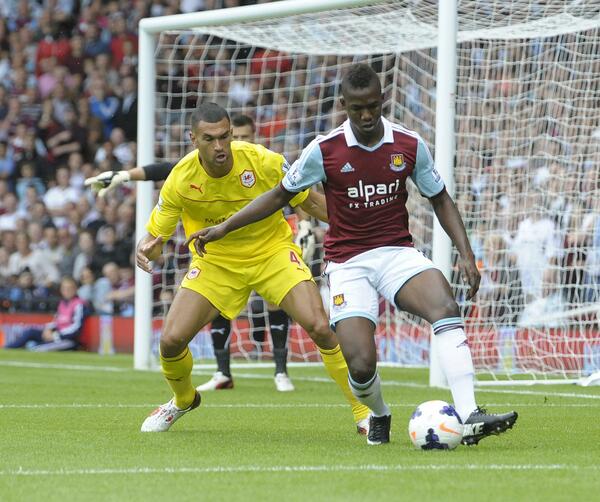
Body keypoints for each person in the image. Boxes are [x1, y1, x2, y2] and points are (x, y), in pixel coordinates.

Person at [188, 64, 518, 446]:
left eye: (373, 107)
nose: (366, 116)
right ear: (344, 104)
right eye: (357, 107)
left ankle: (470, 412)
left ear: (383, 101)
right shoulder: (324, 149)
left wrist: (466, 252)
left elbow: (440, 197)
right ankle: (378, 413)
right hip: (348, 263)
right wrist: (225, 227)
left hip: (398, 253)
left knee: (444, 305)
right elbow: (278, 196)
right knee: (360, 364)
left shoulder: (408, 144)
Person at [132, 102, 370, 433]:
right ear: (193, 138)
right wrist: (146, 248)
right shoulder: (180, 179)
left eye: (225, 136)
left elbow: (311, 201)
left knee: (318, 324)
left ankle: (363, 412)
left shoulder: (263, 161)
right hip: (216, 263)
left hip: (270, 252)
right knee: (171, 341)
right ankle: (183, 399)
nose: (220, 146)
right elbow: (155, 236)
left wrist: (362, 224)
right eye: (210, 138)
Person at [85, 114, 314, 393]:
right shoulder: (198, 168)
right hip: (221, 254)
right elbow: (165, 170)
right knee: (213, 304)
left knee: (277, 304)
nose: (229, 144)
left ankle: (281, 371)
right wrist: (123, 175)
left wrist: (304, 224)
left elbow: (294, 192)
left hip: (266, 248)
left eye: (240, 137)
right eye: (233, 137)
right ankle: (222, 371)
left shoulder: (261, 162)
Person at [4, 276, 87, 351]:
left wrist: (55, 336)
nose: (67, 291)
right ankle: (7, 348)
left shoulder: (79, 304)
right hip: (55, 336)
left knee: (36, 349)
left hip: (67, 339)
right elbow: (57, 321)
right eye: (64, 288)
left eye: (69, 288)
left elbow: (76, 328)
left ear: (75, 289)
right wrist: (48, 329)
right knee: (30, 332)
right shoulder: (62, 303)